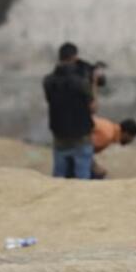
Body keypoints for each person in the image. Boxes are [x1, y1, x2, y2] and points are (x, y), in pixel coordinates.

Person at [43, 42, 97, 179]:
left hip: (59, 136)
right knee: (82, 180)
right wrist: (94, 83)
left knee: (59, 178)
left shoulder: (48, 81)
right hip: (81, 137)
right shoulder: (81, 82)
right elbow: (93, 108)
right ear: (74, 57)